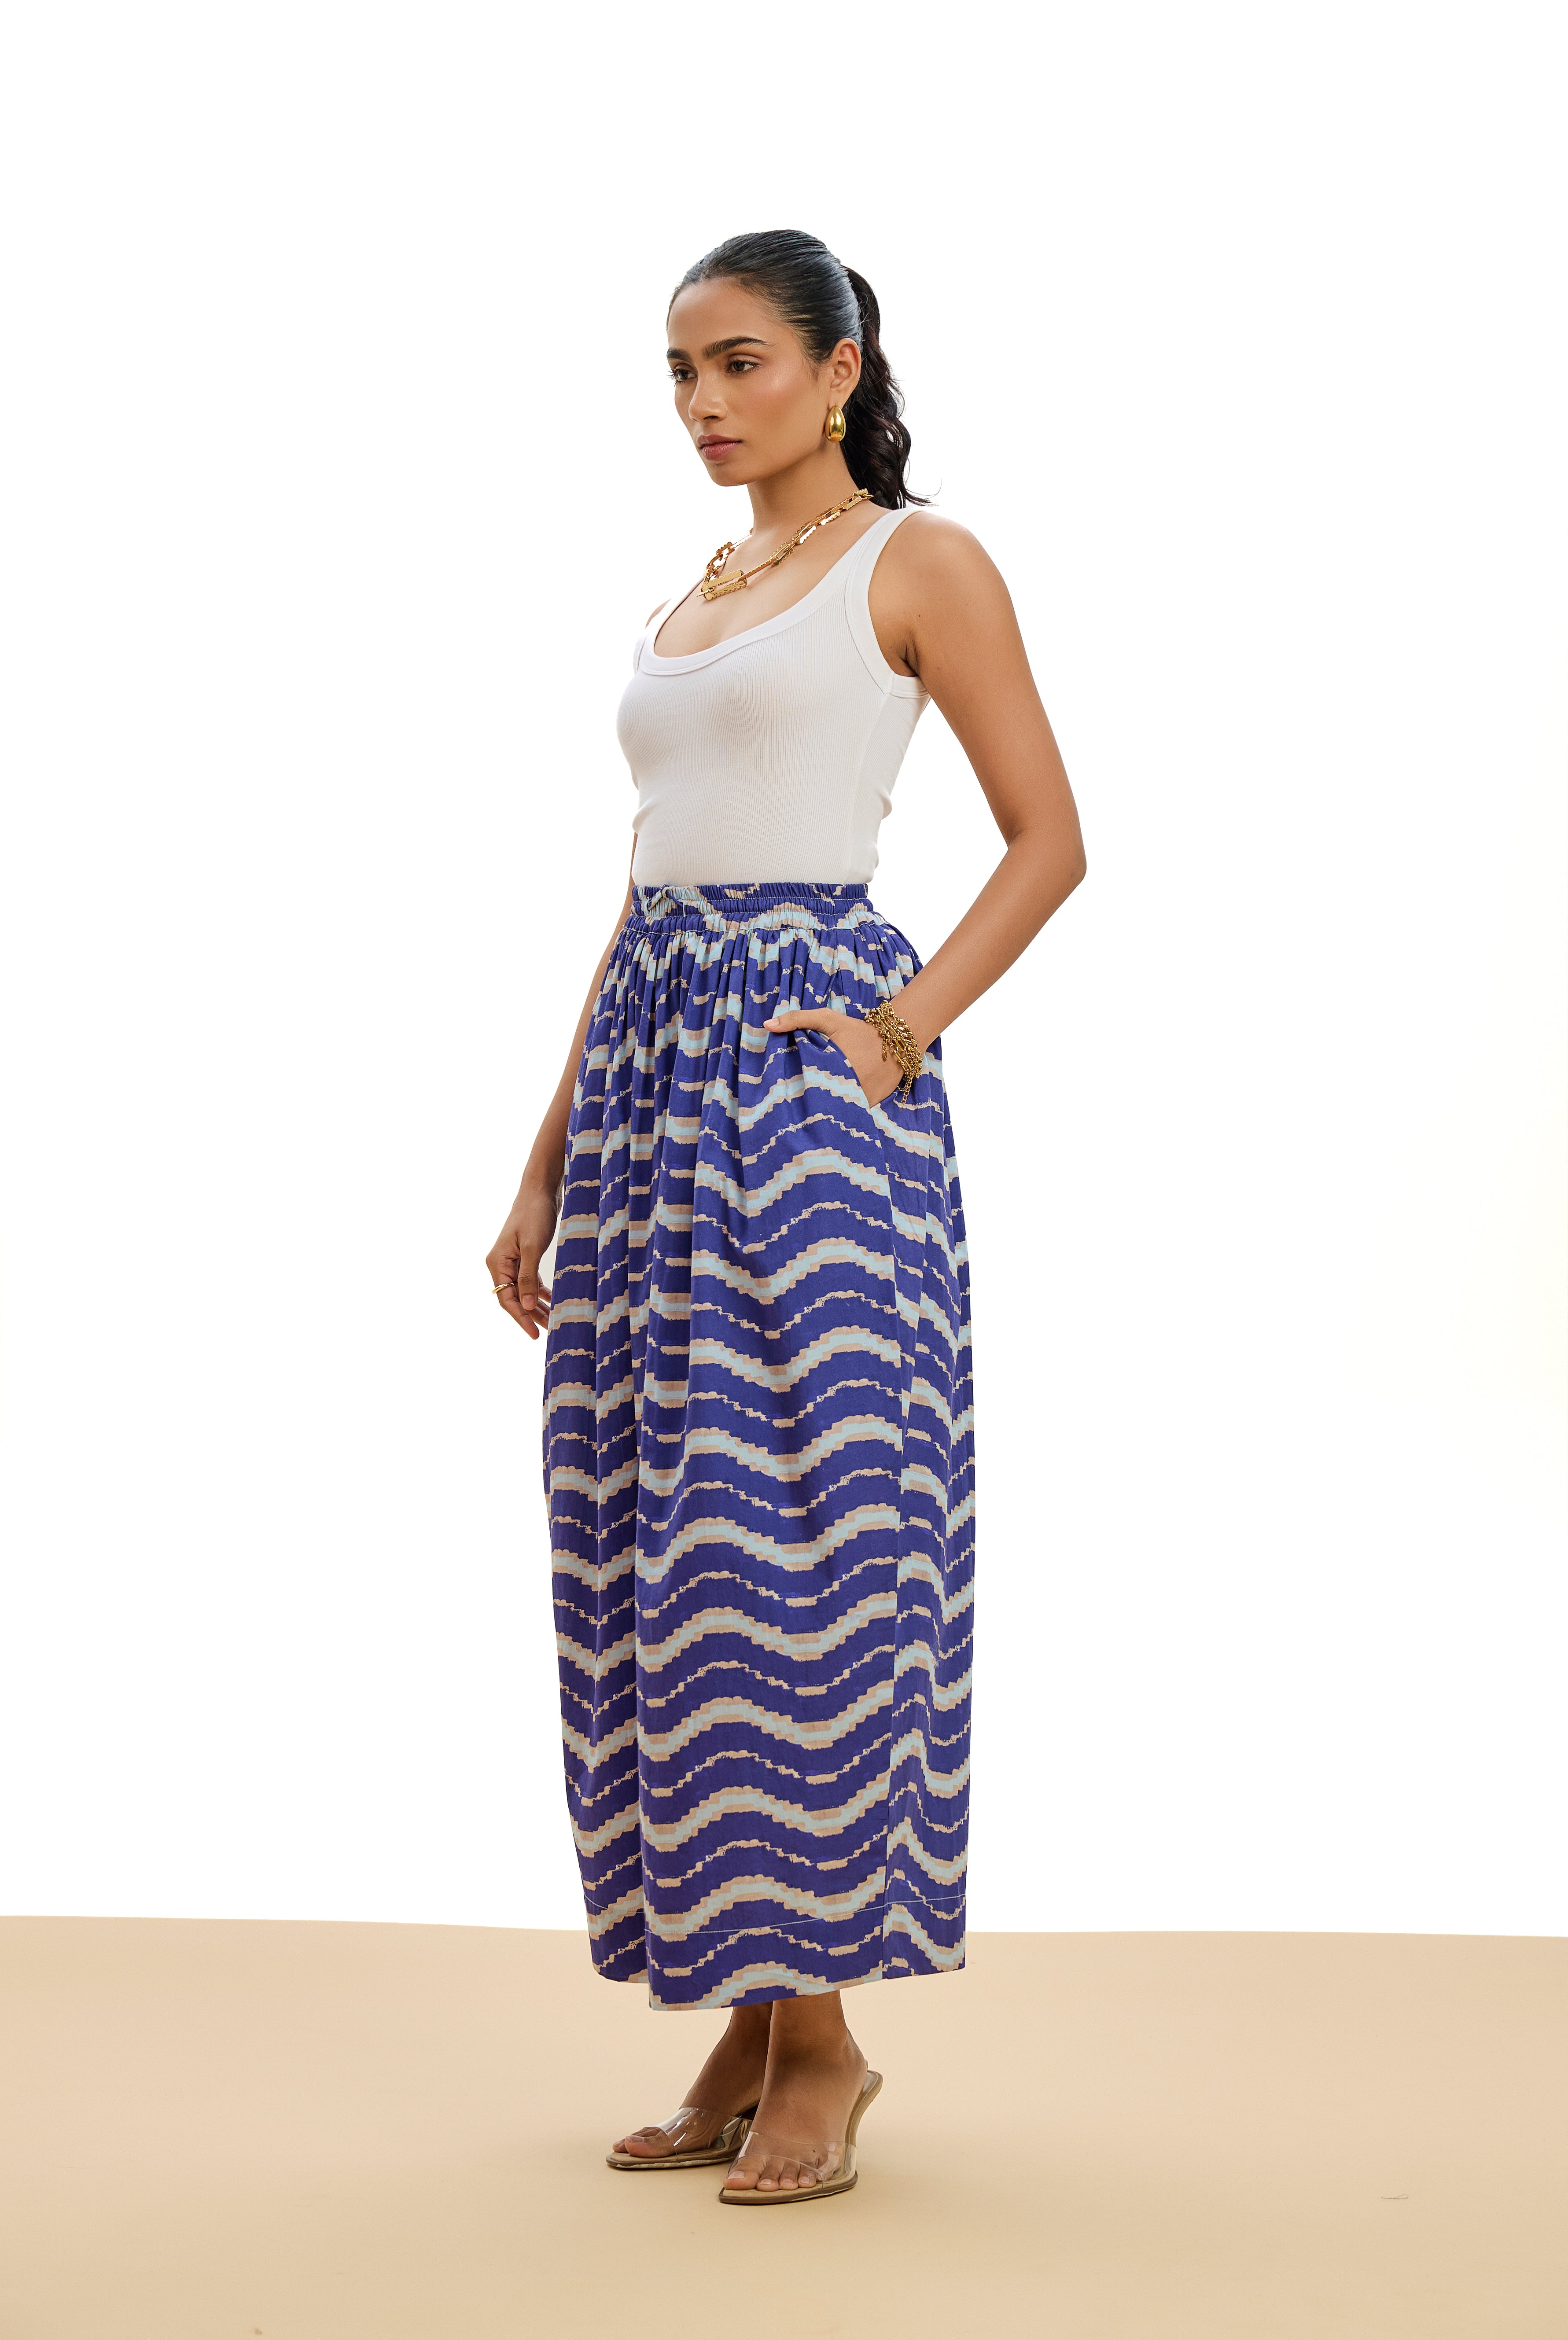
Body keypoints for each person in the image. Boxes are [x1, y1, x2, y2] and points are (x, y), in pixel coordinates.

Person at [487, 228, 1086, 2205]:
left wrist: (900, 1032)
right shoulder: (694, 595)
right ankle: (750, 2019)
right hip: (651, 1085)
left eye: (739, 360)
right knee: (659, 1550)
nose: (703, 402)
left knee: (795, 1551)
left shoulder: (918, 562)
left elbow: (1050, 838)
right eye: (680, 371)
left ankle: (825, 2040)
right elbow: (647, 882)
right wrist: (545, 1153)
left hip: (805, 1096)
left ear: (840, 368)